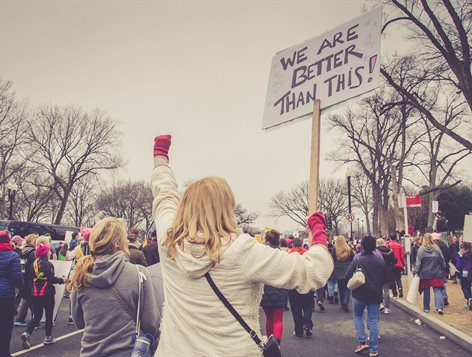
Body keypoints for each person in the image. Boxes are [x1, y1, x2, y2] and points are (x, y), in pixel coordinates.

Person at [151, 134, 333, 356]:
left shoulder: (169, 241)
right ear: (227, 208)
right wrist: (318, 231)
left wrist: (161, 159)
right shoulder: (242, 250)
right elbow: (312, 272)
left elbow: (164, 196)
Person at [68, 217, 160, 357]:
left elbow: (79, 322)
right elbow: (151, 324)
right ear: (117, 243)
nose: (128, 241)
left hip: (90, 352)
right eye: (125, 238)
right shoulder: (139, 273)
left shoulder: (80, 274)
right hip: (128, 352)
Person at [346, 235, 386, 357]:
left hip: (360, 293)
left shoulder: (358, 259)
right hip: (375, 293)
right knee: (373, 320)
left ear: (362, 245)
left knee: (358, 316)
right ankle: (373, 349)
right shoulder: (380, 259)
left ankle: (362, 342)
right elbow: (384, 276)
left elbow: (348, 273)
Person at [21, 243, 66, 349]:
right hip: (47, 293)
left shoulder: (33, 264)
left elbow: (31, 278)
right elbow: (51, 279)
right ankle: (48, 337)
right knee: (49, 316)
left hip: (35, 293)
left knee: (37, 316)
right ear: (46, 253)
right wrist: (62, 280)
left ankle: (27, 333)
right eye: (49, 251)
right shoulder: (48, 264)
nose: (50, 252)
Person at [260, 230, 289, 343]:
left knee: (269, 319)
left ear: (267, 241)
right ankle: (276, 344)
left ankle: (269, 342)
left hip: (266, 288)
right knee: (278, 320)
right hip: (280, 288)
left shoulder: (262, 255)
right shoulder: (282, 255)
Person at [0, 230, 24, 357]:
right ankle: (4, 352)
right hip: (6, 295)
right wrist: (23, 289)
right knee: (5, 325)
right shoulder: (13, 256)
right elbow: (17, 277)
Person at [287, 238, 314, 337]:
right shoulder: (308, 254)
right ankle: (307, 323)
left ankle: (298, 330)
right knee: (308, 306)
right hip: (307, 283)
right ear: (302, 244)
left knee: (296, 308)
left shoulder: (289, 255)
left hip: (294, 285)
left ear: (293, 245)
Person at [415, 233, 446, 314]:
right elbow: (442, 260)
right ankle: (439, 308)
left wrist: (416, 271)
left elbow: (418, 263)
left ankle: (426, 308)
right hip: (436, 272)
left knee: (426, 291)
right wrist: (443, 268)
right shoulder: (436, 248)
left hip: (425, 273)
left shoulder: (421, 249)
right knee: (437, 290)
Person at [15, 234, 38, 326]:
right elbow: (32, 266)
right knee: (30, 298)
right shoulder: (32, 252)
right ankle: (33, 319)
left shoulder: (23, 250)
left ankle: (23, 318)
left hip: (22, 275)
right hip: (29, 278)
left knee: (27, 298)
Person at [332, 235, 354, 312]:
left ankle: (342, 304)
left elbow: (333, 260)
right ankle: (346, 302)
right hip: (348, 269)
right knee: (348, 287)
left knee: (341, 288)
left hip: (338, 270)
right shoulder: (349, 249)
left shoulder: (335, 249)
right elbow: (352, 259)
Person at [376, 238, 396, 314]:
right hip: (388, 271)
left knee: (379, 289)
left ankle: (380, 304)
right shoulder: (389, 250)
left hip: (378, 271)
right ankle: (387, 308)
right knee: (386, 290)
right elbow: (394, 260)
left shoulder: (375, 251)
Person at [432, 233, 450, 306]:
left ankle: (439, 300)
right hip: (443, 267)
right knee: (442, 282)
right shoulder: (444, 246)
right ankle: (444, 295)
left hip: (434, 268)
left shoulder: (432, 247)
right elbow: (448, 256)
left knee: (436, 285)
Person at [454, 242, 472, 309]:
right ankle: (470, 300)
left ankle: (469, 298)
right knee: (469, 286)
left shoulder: (461, 256)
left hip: (464, 272)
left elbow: (458, 266)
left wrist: (459, 256)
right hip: (470, 272)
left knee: (464, 286)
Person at [388, 233, 406, 298]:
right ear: (396, 238)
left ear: (390, 238)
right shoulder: (400, 246)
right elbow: (402, 256)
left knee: (392, 280)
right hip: (398, 265)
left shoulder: (388, 245)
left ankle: (395, 294)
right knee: (398, 279)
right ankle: (400, 290)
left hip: (391, 265)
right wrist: (404, 264)